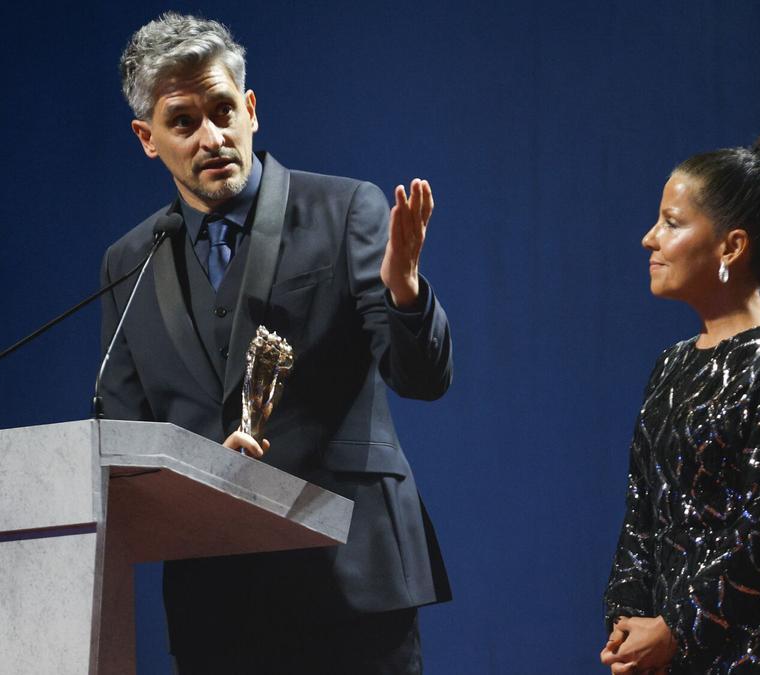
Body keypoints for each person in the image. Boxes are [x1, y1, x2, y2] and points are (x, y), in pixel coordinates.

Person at [98, 13, 453, 673]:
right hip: (218, 605)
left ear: (251, 109)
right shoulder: (129, 262)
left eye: (223, 111)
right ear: (147, 138)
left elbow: (423, 378)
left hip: (352, 588)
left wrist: (404, 290)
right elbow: (127, 445)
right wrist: (207, 472)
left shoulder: (347, 210)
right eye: (183, 122)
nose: (212, 137)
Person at [601, 129, 760, 674]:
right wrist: (627, 621)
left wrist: (676, 629)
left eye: (671, 222)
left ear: (731, 246)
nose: (649, 238)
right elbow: (643, 513)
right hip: (670, 653)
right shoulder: (673, 363)